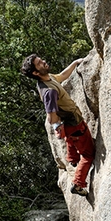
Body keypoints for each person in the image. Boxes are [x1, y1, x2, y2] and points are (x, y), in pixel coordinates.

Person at [21, 54, 94, 197]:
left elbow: (61, 76)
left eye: (41, 59)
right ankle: (78, 184)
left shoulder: (47, 79)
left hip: (69, 123)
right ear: (36, 73)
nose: (44, 61)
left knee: (71, 139)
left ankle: (72, 159)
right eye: (40, 63)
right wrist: (56, 125)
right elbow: (50, 115)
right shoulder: (49, 91)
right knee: (88, 154)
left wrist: (75, 63)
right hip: (74, 123)